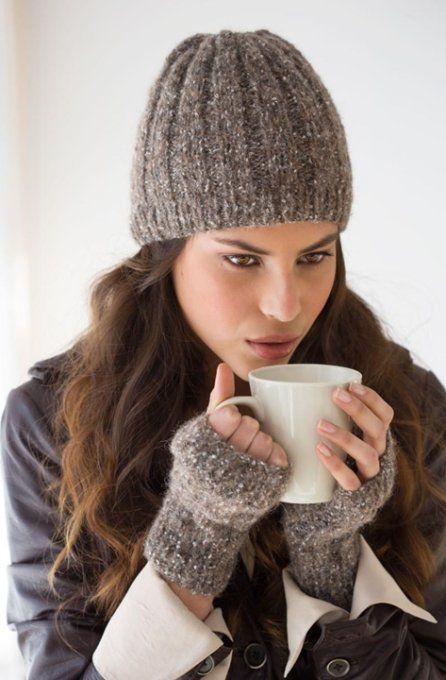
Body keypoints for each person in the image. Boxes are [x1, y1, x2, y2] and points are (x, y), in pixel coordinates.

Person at [1, 28, 446, 680]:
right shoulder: (52, 424)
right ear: (167, 250)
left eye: (315, 256)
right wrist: (194, 544)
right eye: (242, 259)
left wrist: (333, 562)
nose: (286, 304)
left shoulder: (408, 409)